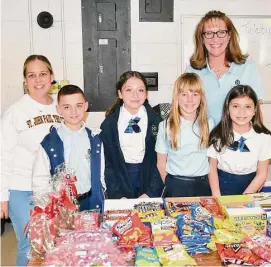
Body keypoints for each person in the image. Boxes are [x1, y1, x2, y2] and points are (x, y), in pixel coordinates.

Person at [0, 55, 62, 266]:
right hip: (21, 188)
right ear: (25, 81)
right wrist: (2, 196)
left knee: (53, 244)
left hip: (52, 190)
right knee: (30, 245)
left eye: (43, 74)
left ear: (51, 76)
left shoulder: (60, 107)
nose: (38, 80)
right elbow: (3, 155)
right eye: (31, 75)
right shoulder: (15, 112)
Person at [32, 85, 104, 211]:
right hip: (62, 206)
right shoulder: (49, 143)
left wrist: (102, 194)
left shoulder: (95, 139)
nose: (74, 112)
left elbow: (102, 173)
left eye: (78, 105)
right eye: (67, 107)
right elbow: (40, 179)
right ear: (58, 109)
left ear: (86, 106)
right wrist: (45, 207)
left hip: (91, 202)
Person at [186, 10, 264, 124]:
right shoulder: (191, 72)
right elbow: (185, 112)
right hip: (205, 139)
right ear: (202, 39)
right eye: (209, 33)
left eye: (221, 32)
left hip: (239, 140)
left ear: (229, 36)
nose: (215, 39)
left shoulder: (248, 68)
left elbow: (257, 112)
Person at [100, 71, 164, 199]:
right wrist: (118, 195)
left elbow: (161, 161)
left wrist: (151, 192)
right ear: (120, 93)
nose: (135, 95)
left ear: (146, 94)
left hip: (149, 177)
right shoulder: (109, 125)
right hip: (121, 178)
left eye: (140, 90)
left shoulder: (157, 122)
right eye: (129, 90)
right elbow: (109, 164)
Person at [155, 73, 215, 197]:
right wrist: (169, 184)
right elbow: (161, 163)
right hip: (175, 186)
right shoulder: (165, 125)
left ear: (201, 97)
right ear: (176, 97)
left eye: (195, 94)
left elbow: (212, 161)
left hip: (203, 185)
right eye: (184, 94)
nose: (190, 100)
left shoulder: (209, 123)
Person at [208, 85, 271, 196]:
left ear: (255, 110)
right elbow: (212, 168)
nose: (241, 113)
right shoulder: (217, 135)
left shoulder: (264, 138)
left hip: (252, 188)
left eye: (247, 107)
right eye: (236, 106)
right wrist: (217, 196)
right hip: (221, 187)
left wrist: (244, 199)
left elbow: (262, 174)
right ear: (228, 108)